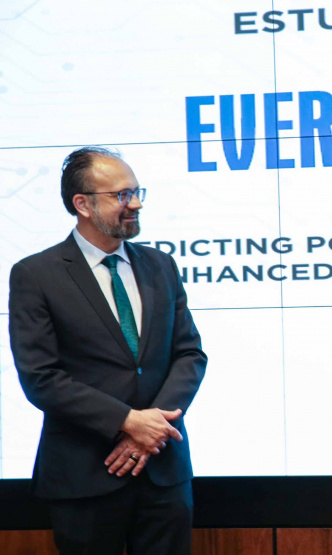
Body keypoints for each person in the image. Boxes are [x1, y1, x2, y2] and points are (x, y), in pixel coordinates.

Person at [8, 147, 207, 555]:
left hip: (163, 471)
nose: (134, 204)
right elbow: (40, 377)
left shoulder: (160, 265)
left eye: (136, 192)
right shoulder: (36, 274)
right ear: (81, 204)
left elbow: (189, 355)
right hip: (85, 474)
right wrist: (127, 421)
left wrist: (150, 432)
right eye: (120, 195)